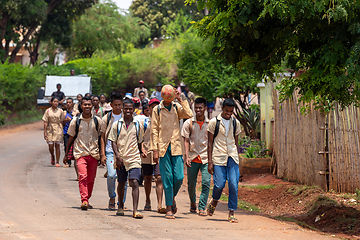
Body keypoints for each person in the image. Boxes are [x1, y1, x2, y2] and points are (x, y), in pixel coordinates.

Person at [150, 85, 193, 219]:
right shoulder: (157, 109)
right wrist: (155, 150)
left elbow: (189, 114)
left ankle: (171, 197)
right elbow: (154, 130)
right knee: (167, 178)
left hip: (176, 147)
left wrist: (181, 99)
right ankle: (169, 208)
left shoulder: (176, 107)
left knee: (179, 177)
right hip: (163, 148)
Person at [63, 96, 102, 210]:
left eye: (89, 104)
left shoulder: (97, 121)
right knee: (83, 176)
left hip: (94, 154)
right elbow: (70, 138)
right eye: (85, 104)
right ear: (81, 106)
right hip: (80, 153)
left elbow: (101, 138)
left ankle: (87, 198)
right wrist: (66, 155)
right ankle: (84, 200)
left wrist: (102, 154)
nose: (87, 106)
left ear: (92, 106)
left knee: (91, 180)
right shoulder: (76, 121)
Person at [207, 98, 241, 223]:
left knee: (233, 184)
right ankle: (215, 200)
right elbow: (210, 143)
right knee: (219, 184)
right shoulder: (213, 122)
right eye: (227, 110)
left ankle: (232, 212)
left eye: (231, 111)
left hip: (232, 157)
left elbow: (236, 142)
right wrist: (210, 162)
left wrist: (237, 158)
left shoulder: (235, 123)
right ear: (222, 108)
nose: (229, 113)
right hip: (218, 157)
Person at [108, 99, 144, 219]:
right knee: (121, 183)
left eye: (130, 109)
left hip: (134, 157)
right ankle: (120, 206)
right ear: (123, 109)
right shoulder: (117, 125)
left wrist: (142, 151)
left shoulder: (138, 125)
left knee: (134, 182)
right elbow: (113, 141)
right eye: (126, 108)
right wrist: (117, 156)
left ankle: (135, 210)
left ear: (133, 110)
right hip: (121, 158)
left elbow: (140, 141)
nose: (128, 111)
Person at [181, 97, 211, 216]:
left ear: (205, 108)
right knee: (191, 184)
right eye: (196, 108)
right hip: (192, 157)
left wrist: (211, 159)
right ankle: (193, 202)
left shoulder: (210, 124)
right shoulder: (188, 123)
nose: (198, 110)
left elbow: (211, 142)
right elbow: (186, 140)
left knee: (206, 182)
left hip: (205, 157)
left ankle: (202, 206)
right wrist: (186, 156)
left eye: (200, 108)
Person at [100, 93, 127, 210]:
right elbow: (102, 136)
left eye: (120, 105)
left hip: (124, 152)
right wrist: (102, 154)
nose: (118, 107)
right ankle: (112, 197)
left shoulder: (127, 117)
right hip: (110, 151)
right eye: (115, 105)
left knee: (123, 179)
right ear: (111, 105)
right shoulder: (106, 118)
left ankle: (122, 202)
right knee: (111, 175)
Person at [141, 98, 166, 214]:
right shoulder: (144, 122)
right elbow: (140, 138)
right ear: (149, 109)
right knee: (147, 178)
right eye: (153, 107)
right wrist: (142, 149)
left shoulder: (163, 122)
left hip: (159, 153)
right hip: (147, 152)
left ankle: (160, 203)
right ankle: (147, 200)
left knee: (159, 178)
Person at [43, 97, 64, 167]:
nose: (56, 103)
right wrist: (45, 132)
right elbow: (45, 121)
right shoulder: (48, 111)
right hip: (50, 128)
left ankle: (57, 161)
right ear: (51, 102)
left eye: (57, 101)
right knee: (50, 145)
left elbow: (62, 121)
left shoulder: (61, 111)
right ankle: (52, 155)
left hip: (58, 128)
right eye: (54, 101)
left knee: (57, 145)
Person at [63, 98, 76, 167]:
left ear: (72, 104)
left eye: (70, 102)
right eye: (67, 102)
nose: (68, 104)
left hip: (74, 132)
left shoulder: (76, 112)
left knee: (74, 146)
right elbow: (61, 123)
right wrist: (65, 120)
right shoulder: (64, 113)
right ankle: (68, 161)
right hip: (66, 132)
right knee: (66, 146)